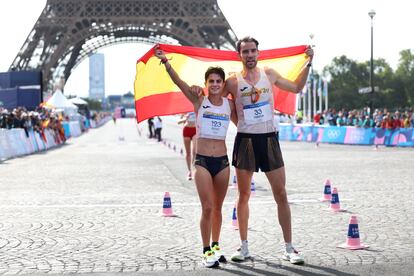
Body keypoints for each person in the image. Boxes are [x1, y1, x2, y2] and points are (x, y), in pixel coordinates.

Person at [223, 36, 313, 264]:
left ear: (258, 53)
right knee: (243, 195)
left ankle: (289, 248)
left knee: (281, 194)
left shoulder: (269, 74)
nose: (250, 55)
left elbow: (297, 87)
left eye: (253, 51)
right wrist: (240, 124)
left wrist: (308, 63)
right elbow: (219, 100)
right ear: (239, 55)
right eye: (245, 52)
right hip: (245, 142)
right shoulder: (233, 82)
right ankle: (243, 247)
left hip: (270, 139)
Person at [154, 45, 237, 268]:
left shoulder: (230, 105)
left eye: (219, 81)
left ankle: (217, 245)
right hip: (202, 161)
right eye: (211, 81)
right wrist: (166, 62)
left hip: (222, 161)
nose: (215, 84)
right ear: (206, 84)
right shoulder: (199, 101)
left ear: (223, 84)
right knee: (207, 207)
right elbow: (179, 82)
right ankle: (205, 249)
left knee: (219, 207)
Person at [178, 112, 197, 180]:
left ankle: (195, 170)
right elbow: (178, 122)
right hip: (186, 130)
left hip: (195, 130)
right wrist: (185, 119)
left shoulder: (196, 106)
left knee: (194, 152)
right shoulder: (185, 110)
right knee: (188, 153)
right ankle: (189, 171)